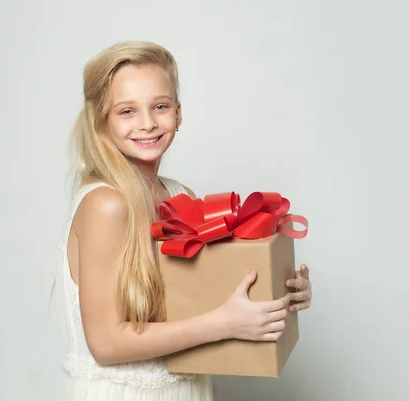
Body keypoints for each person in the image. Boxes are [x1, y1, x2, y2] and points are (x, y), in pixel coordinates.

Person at [58, 41, 313, 401]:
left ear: (178, 113)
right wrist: (225, 323)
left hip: (186, 388)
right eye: (127, 111)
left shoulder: (180, 196)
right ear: (101, 122)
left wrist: (281, 289)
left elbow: (205, 291)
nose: (147, 123)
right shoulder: (106, 204)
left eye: (159, 106)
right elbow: (106, 343)